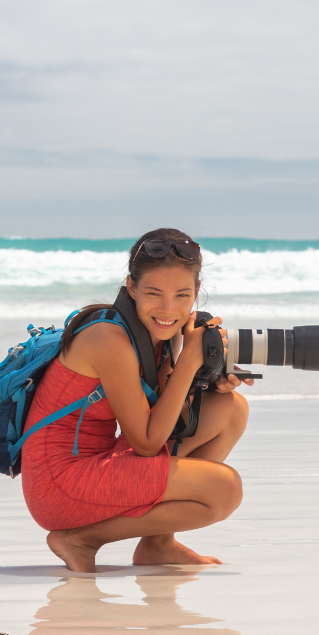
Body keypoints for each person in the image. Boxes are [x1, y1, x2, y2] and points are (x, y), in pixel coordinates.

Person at [22, 228, 253, 572]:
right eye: (154, 293)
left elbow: (165, 416)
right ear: (131, 287)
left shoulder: (155, 332)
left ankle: (158, 544)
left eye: (182, 295)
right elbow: (146, 443)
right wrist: (189, 360)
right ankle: (80, 539)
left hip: (98, 463)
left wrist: (206, 379)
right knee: (225, 490)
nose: (168, 308)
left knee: (230, 409)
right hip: (60, 484)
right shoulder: (108, 338)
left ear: (197, 293)